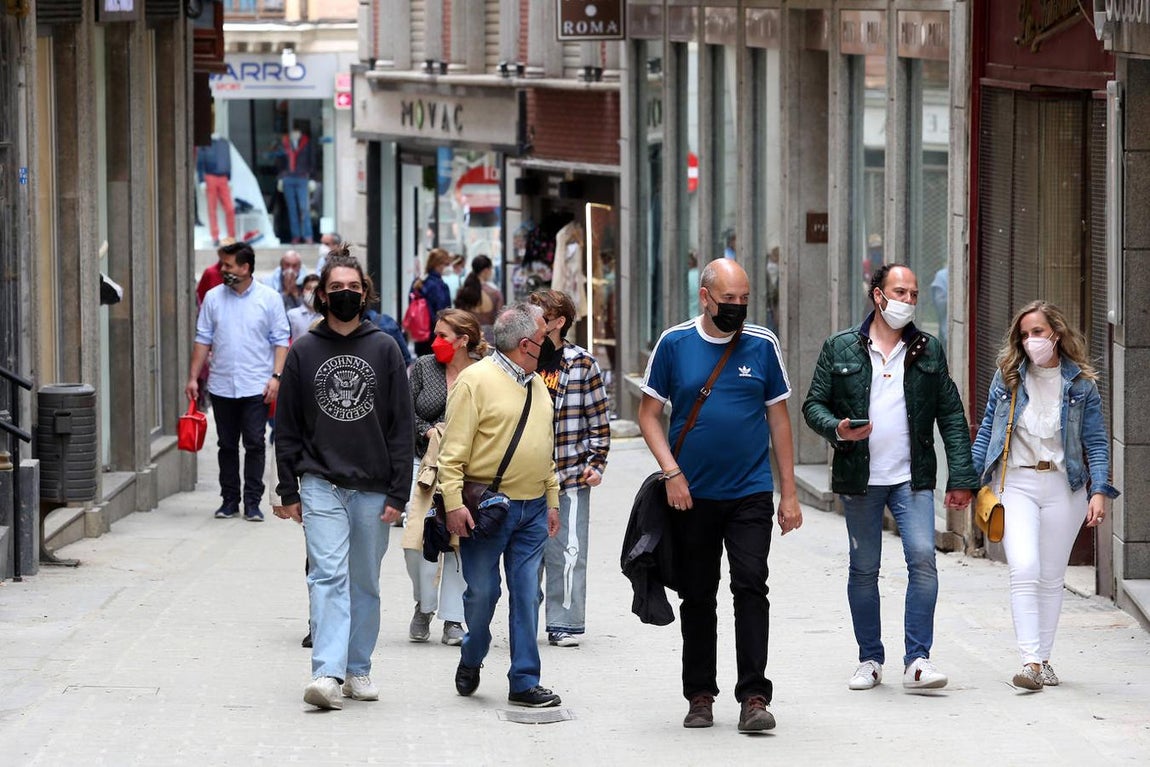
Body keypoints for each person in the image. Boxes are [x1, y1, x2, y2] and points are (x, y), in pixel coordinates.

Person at [638, 258, 801, 733]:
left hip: (750, 490)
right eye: (728, 299)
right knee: (698, 595)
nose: (737, 307)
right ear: (705, 297)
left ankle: (754, 695)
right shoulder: (675, 344)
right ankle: (700, 695)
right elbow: (649, 414)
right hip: (691, 494)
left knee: (751, 585)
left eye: (743, 299)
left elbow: (779, 419)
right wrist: (671, 473)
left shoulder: (762, 344)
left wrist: (788, 494)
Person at [802, 263, 979, 693]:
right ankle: (870, 659)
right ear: (877, 295)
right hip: (860, 478)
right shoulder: (841, 347)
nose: (908, 301)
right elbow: (813, 405)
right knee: (864, 568)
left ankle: (917, 660)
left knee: (923, 560)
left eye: (914, 294)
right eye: (900, 292)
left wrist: (961, 476)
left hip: (912, 478)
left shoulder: (927, 350)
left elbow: (952, 416)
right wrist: (838, 428)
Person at [272, 250, 414, 710]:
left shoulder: (385, 348)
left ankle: (358, 668)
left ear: (365, 293)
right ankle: (327, 674)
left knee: (364, 581)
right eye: (337, 289)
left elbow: (401, 425)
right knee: (327, 576)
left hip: (374, 487)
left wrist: (399, 490)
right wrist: (287, 489)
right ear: (322, 295)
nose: (346, 294)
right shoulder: (304, 350)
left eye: (354, 288)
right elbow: (287, 426)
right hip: (320, 483)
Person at [970, 300, 1118, 691]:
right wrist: (967, 480)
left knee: (1052, 577)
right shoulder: (1008, 378)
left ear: (1056, 333)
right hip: (1015, 483)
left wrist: (1099, 492)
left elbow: (1097, 443)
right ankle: (1030, 662)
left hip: (1064, 487)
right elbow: (987, 429)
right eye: (1024, 334)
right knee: (1025, 568)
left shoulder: (1082, 385)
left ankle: (1045, 659)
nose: (1031, 340)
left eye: (1037, 332)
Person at [439, 303, 562, 708]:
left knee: (527, 595)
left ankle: (524, 680)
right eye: (544, 337)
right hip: (487, 511)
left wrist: (552, 498)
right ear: (526, 344)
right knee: (483, 594)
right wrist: (454, 504)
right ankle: (474, 652)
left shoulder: (538, 385)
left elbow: (546, 448)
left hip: (530, 511)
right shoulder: (474, 382)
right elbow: (452, 453)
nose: (549, 343)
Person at [528, 289, 610, 648]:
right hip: (524, 475)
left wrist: (596, 463)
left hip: (569, 474)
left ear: (559, 322)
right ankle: (527, 611)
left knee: (568, 551)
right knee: (526, 553)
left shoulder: (581, 363)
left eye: (541, 314)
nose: (534, 319)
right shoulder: (520, 358)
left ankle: (564, 622)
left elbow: (599, 420)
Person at [185, 241, 290, 522]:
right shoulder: (213, 298)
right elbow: (202, 339)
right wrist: (193, 378)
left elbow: (281, 341)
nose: (223, 270)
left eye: (228, 265)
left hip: (257, 385)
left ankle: (252, 502)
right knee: (226, 444)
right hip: (221, 385)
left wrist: (276, 377)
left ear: (245, 267)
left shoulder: (269, 299)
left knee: (255, 443)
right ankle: (229, 500)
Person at [403, 309, 488, 645]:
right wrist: (428, 432)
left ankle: (453, 618)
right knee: (415, 541)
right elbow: (407, 411)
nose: (435, 342)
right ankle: (424, 604)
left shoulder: (483, 373)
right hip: (422, 465)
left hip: (468, 469)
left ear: (464, 340)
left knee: (457, 541)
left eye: (443, 336)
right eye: (435, 334)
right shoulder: (425, 367)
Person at [275, 125, 315, 244]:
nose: (295, 134)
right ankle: (295, 235)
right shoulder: (284, 143)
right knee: (292, 209)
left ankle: (308, 235)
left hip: (302, 177)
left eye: (297, 132)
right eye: (293, 132)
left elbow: (312, 160)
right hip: (288, 178)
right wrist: (281, 177)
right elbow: (279, 161)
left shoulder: (306, 143)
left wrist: (311, 176)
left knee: (304, 208)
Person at [411, 249, 453, 357]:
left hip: (420, 336)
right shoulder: (440, 286)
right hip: (436, 337)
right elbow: (444, 312)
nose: (447, 268)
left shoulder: (418, 283)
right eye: (446, 264)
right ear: (439, 265)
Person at [454, 254, 504, 343]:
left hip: (469, 339)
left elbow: (459, 319)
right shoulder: (495, 294)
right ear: (486, 270)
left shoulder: (463, 292)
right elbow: (500, 322)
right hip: (489, 341)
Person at [196, 135, 236, 246]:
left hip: (223, 177)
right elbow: (200, 162)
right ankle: (215, 237)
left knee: (230, 208)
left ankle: (231, 236)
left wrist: (229, 177)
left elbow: (228, 159)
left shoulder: (224, 143)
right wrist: (201, 180)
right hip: (210, 177)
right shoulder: (205, 143)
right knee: (212, 208)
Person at [287, 273, 322, 341]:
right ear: (303, 291)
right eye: (308, 288)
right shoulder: (291, 315)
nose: (312, 292)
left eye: (316, 288)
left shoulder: (326, 316)